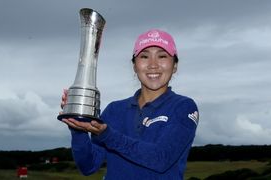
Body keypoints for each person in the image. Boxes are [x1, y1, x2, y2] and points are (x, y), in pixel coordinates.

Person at [60, 29, 199, 179]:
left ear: (175, 66)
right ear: (134, 66)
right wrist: (77, 127)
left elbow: (160, 158)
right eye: (144, 56)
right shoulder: (114, 110)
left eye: (162, 56)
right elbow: (88, 166)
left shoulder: (184, 107)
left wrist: (107, 135)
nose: (153, 64)